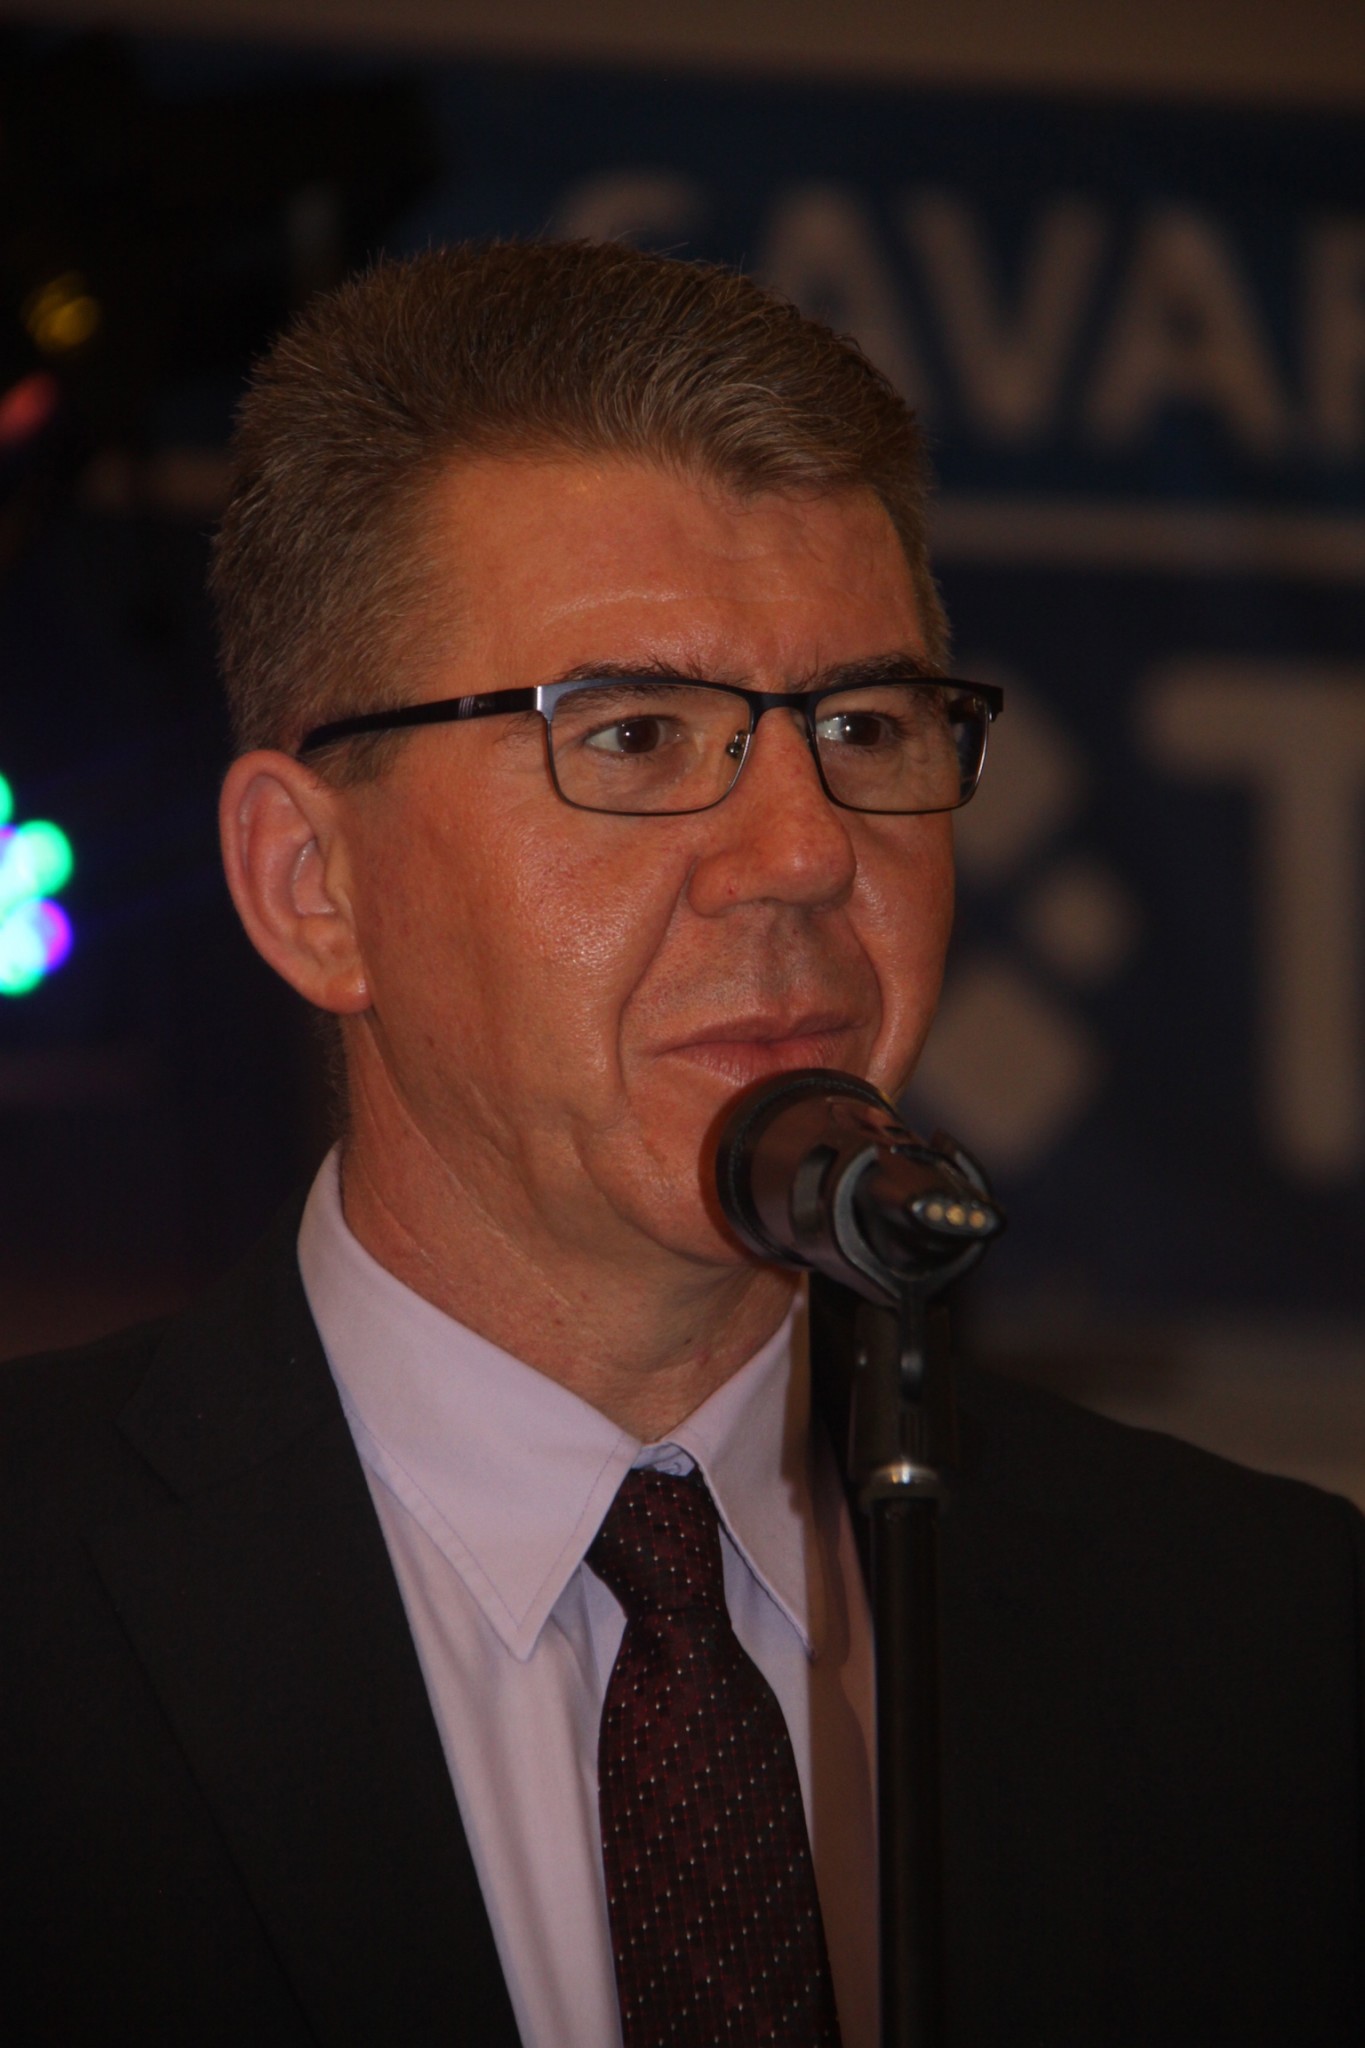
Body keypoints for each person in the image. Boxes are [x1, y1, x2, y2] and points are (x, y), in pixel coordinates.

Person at [3, 240, 1361, 2048]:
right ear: (311, 885)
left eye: (863, 725)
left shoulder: (1266, 1648)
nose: (804, 851)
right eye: (635, 735)